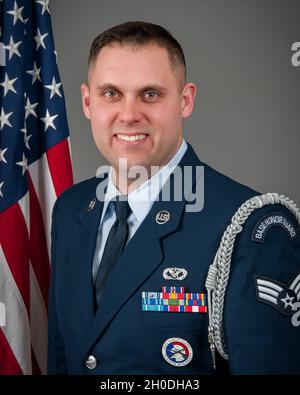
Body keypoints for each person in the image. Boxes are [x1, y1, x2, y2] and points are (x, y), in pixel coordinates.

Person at [48, 21, 300, 375]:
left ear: (185, 100)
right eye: (111, 94)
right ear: (88, 102)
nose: (130, 114)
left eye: (150, 94)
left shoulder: (251, 226)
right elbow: (65, 357)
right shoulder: (71, 209)